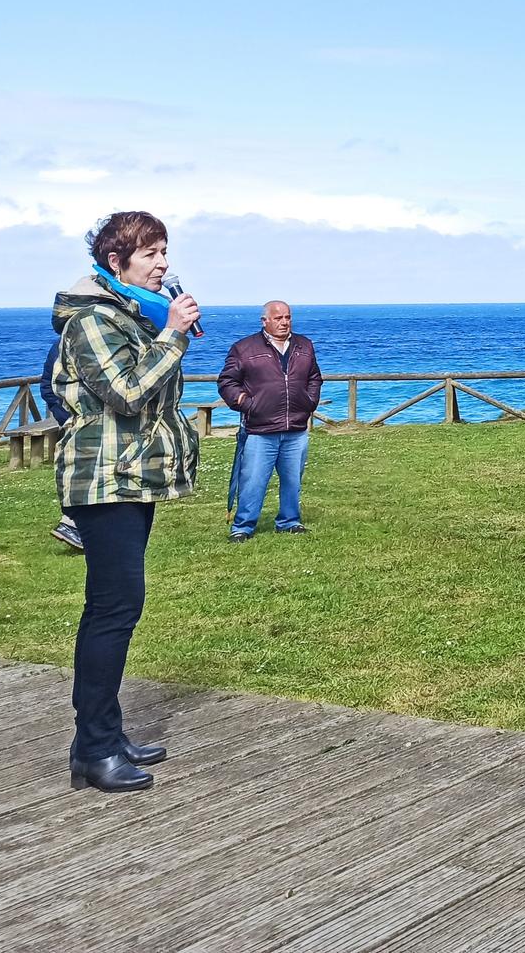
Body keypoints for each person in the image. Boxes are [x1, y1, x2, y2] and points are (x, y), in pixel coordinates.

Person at [51, 210, 200, 792]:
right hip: (102, 479)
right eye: (151, 254)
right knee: (113, 609)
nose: (163, 264)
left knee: (118, 608)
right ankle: (93, 749)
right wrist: (174, 338)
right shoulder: (90, 320)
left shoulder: (132, 316)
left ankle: (104, 736)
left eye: (165, 252)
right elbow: (127, 394)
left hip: (132, 478)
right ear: (116, 263)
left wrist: (165, 335)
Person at [217, 301, 323, 541]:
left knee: (292, 480)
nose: (284, 322)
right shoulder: (244, 348)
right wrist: (246, 403)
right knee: (252, 481)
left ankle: (289, 521)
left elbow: (314, 377)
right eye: (278, 318)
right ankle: (242, 527)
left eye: (287, 317)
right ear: (264, 321)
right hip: (259, 430)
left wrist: (310, 401)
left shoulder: (304, 346)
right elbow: (227, 382)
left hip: (296, 428)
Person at [40, 341, 83, 552]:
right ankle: (71, 523)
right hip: (76, 420)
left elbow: (46, 387)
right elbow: (47, 387)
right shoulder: (63, 345)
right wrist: (65, 417)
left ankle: (74, 524)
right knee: (78, 471)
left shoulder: (60, 345)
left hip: (78, 419)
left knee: (74, 469)